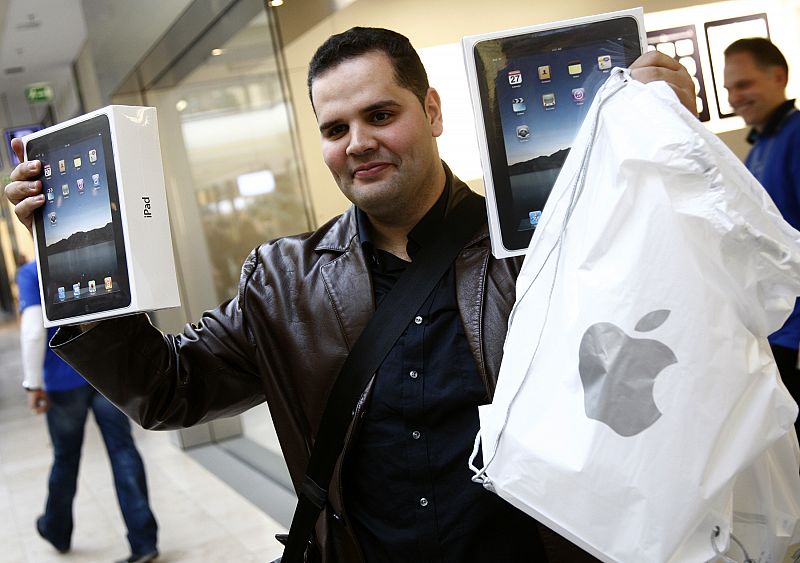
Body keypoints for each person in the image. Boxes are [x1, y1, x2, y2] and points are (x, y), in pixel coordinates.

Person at [6, 27, 694, 563]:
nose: (358, 142)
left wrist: (669, 151)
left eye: (380, 114)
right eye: (335, 129)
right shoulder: (281, 280)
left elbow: (671, 320)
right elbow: (168, 389)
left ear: (431, 110)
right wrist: (67, 260)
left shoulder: (536, 251)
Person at [16, 259, 159, 563]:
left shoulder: (32, 273)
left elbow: (32, 331)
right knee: (123, 450)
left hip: (63, 382)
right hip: (105, 372)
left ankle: (56, 530)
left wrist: (33, 384)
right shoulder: (90, 259)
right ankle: (144, 542)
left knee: (65, 458)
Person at [724, 38, 800, 434]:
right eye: (729, 89)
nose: (735, 97)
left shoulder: (796, 138)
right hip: (773, 330)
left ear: (779, 77)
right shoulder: (760, 147)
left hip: (793, 332)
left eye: (744, 84)